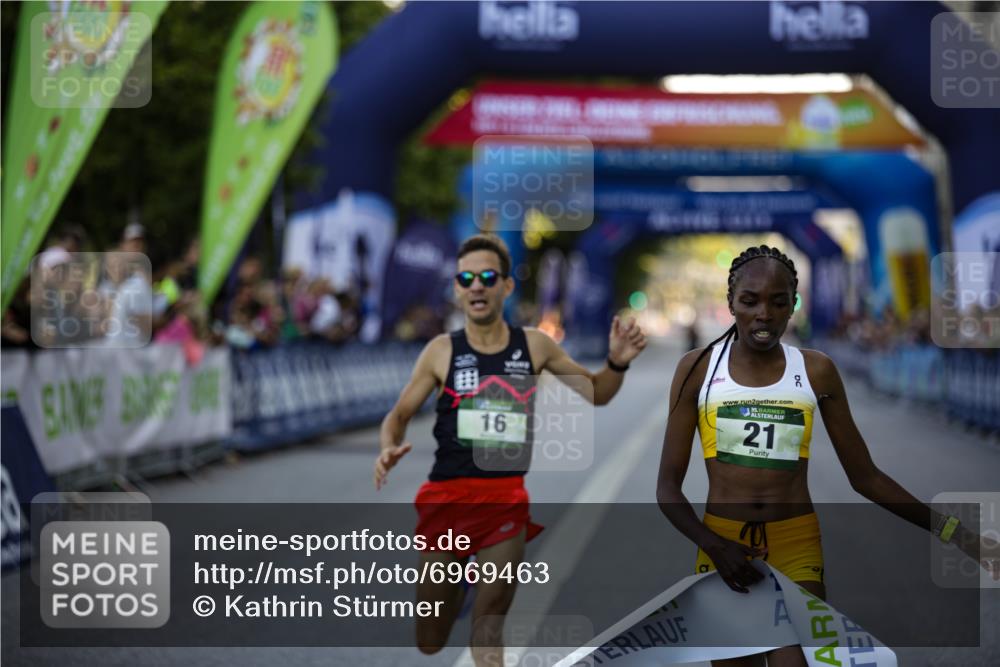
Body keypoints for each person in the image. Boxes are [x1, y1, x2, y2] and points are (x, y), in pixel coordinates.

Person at [656, 245, 999, 667]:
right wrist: (713, 546)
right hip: (721, 545)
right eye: (750, 301)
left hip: (796, 544)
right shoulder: (698, 370)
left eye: (778, 302)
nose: (764, 314)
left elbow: (866, 477)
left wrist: (958, 535)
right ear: (731, 303)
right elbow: (667, 487)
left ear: (793, 306)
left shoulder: (816, 370)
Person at [375, 233, 647, 667]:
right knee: (430, 639)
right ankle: (463, 585)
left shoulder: (535, 345)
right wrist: (388, 446)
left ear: (506, 286)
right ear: (457, 289)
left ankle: (479, 593)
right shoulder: (441, 351)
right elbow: (400, 414)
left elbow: (597, 393)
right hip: (447, 500)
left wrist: (617, 362)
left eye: (487, 277)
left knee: (490, 624)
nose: (476, 286)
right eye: (466, 279)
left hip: (504, 501)